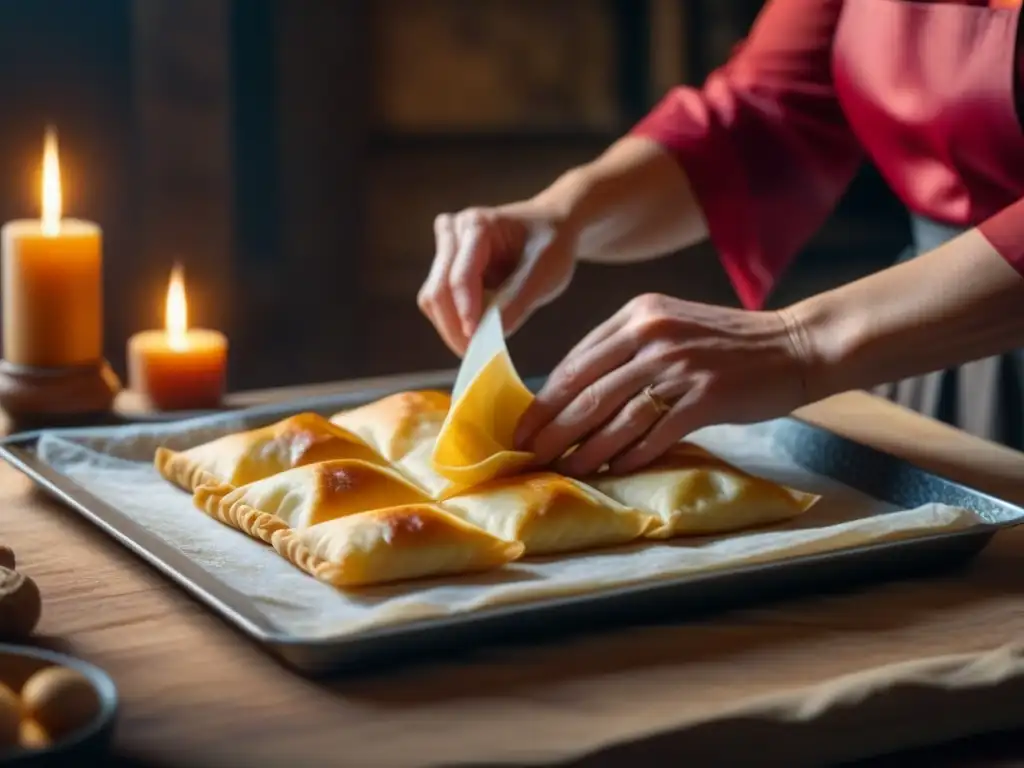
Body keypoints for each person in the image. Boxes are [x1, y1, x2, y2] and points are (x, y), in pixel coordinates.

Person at [417, 0, 1024, 478]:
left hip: (922, 326)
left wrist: (800, 343)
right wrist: (562, 213)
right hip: (928, 361)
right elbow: (767, 113)